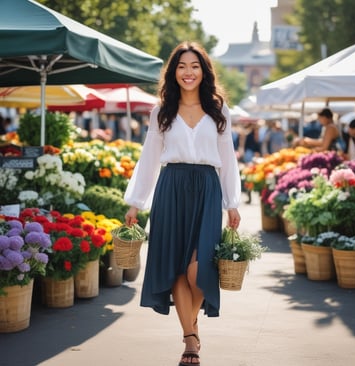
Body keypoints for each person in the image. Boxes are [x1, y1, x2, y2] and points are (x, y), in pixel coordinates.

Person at [124, 41, 241, 366]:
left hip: (206, 190)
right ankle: (190, 338)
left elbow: (227, 159)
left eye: (194, 66)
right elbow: (148, 159)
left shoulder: (219, 110)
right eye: (181, 66)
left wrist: (232, 201)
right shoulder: (161, 111)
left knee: (198, 269)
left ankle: (191, 325)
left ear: (204, 71)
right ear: (173, 72)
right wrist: (135, 202)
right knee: (177, 267)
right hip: (171, 188)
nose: (188, 72)